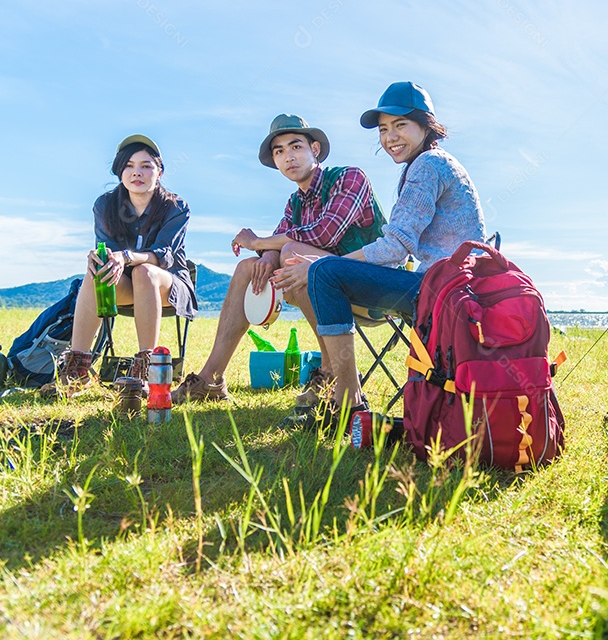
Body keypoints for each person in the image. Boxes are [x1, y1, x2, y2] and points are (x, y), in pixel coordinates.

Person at [272, 82, 486, 424]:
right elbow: (399, 249)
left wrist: (322, 265)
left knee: (326, 273)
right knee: (326, 270)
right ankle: (345, 396)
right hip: (447, 286)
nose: (389, 137)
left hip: (442, 291)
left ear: (425, 124)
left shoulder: (427, 165)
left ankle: (347, 402)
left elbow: (393, 248)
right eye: (384, 129)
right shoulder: (427, 164)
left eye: (400, 125)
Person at [171, 114, 386, 403]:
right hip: (329, 284)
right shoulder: (295, 202)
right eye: (279, 151)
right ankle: (211, 379)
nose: (289, 157)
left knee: (292, 255)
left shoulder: (349, 177)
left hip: (377, 287)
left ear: (315, 150)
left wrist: (260, 243)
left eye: (296, 146)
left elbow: (323, 235)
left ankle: (332, 369)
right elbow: (281, 237)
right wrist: (266, 254)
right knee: (249, 266)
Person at [44, 134, 196, 397]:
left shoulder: (175, 206)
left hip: (168, 286)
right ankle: (77, 368)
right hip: (125, 285)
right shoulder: (105, 205)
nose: (137, 172)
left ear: (159, 172)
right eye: (129, 165)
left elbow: (164, 254)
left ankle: (146, 370)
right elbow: (107, 253)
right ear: (119, 171)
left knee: (144, 271)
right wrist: (100, 258)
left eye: (146, 165)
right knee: (96, 272)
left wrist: (126, 256)